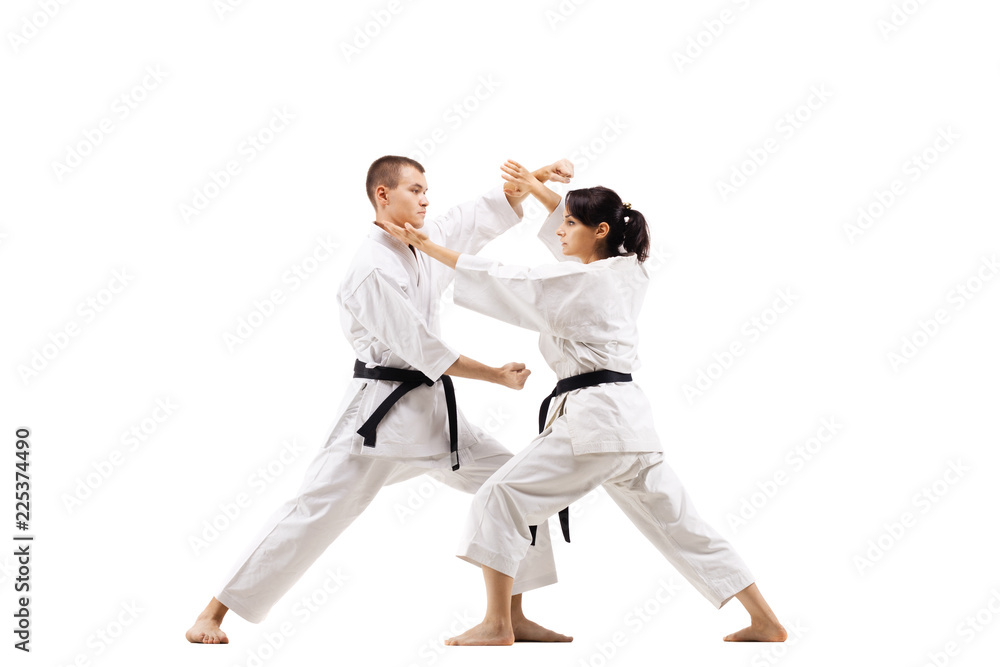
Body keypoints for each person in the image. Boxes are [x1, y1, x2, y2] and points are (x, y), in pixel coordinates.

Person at [381, 160, 787, 645]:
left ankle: (498, 623)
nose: (560, 230)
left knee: (498, 495)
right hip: (631, 429)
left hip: (593, 427)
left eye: (570, 224)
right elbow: (580, 237)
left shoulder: (582, 283)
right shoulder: (627, 269)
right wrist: (539, 192)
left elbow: (515, 281)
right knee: (683, 525)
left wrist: (428, 248)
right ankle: (766, 620)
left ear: (598, 231)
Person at [185, 155, 577, 644]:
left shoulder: (421, 239)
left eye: (426, 189)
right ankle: (213, 612)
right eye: (415, 190)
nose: (426, 198)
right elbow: (423, 348)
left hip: (434, 417)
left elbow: (477, 213)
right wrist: (496, 375)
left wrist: (533, 180)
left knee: (517, 483)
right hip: (378, 420)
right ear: (383, 196)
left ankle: (508, 617)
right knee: (314, 511)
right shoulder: (371, 268)